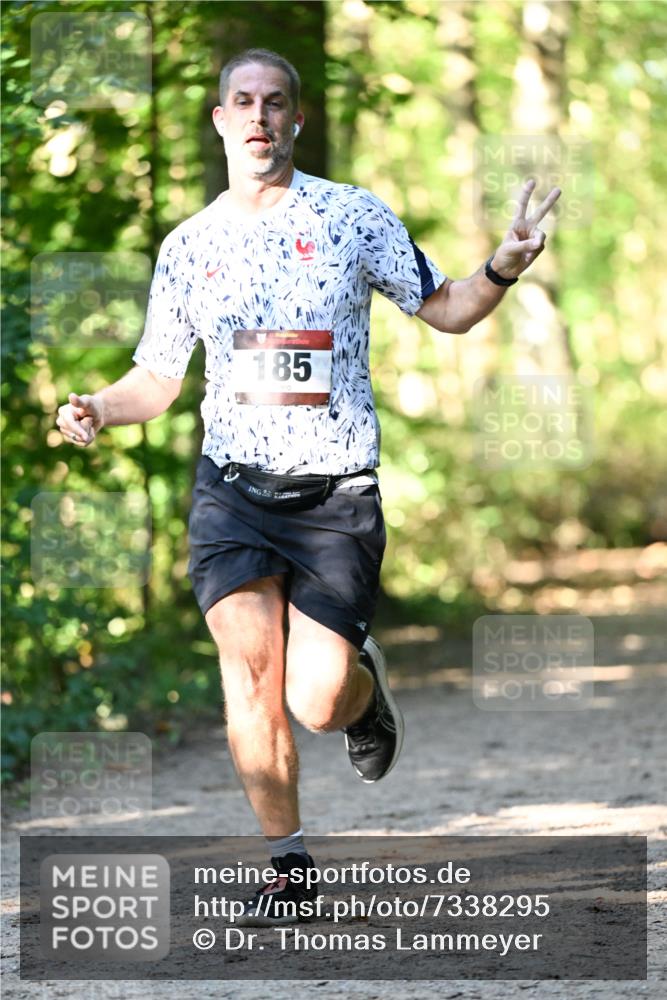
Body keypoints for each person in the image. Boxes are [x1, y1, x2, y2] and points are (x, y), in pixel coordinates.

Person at [56, 48, 560, 926]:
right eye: (242, 102)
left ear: (295, 120)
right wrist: (99, 405)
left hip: (334, 498)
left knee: (315, 699)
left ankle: (365, 693)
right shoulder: (189, 247)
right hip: (232, 496)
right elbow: (158, 378)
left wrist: (504, 266)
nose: (258, 117)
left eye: (275, 103)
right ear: (219, 119)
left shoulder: (352, 217)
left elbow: (444, 308)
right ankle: (287, 869)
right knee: (249, 678)